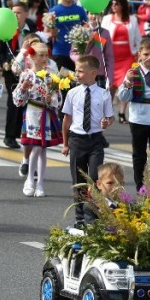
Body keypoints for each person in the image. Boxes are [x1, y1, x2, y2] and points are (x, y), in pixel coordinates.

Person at [61, 55, 114, 225]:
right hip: (77, 140)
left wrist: (107, 121)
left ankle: (92, 215)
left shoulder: (104, 94)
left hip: (96, 141)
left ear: (93, 73)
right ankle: (80, 218)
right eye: (76, 70)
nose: (76, 74)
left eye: (80, 71)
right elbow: (66, 120)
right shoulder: (72, 93)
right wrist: (65, 143)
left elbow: (109, 117)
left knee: (93, 178)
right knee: (78, 181)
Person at [117, 38, 150, 195]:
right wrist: (127, 83)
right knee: (139, 154)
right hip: (138, 118)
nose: (149, 58)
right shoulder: (132, 73)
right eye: (146, 54)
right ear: (139, 54)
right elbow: (123, 97)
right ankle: (140, 185)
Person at [13, 42, 64, 198]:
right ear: (33, 57)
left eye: (46, 55)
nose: (44, 58)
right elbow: (17, 101)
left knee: (43, 149)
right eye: (41, 55)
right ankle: (29, 180)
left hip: (47, 114)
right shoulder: (27, 75)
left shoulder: (52, 76)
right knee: (35, 147)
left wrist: (51, 99)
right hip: (32, 113)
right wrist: (23, 88)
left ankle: (40, 183)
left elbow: (59, 99)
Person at [0, 2, 36, 150]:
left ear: (25, 14)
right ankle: (9, 136)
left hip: (29, 70)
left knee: (27, 102)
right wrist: (4, 62)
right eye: (13, 12)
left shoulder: (31, 27)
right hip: (12, 71)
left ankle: (21, 132)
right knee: (14, 102)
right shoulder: (7, 27)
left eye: (18, 13)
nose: (15, 15)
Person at [101, 0, 141, 123]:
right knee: (111, 85)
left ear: (122, 5)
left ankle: (122, 112)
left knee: (126, 83)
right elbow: (101, 36)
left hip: (128, 56)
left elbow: (137, 37)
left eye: (116, 4)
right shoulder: (107, 19)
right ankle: (108, 111)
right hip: (112, 57)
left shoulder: (132, 19)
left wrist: (139, 52)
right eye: (112, 4)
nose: (114, 6)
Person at [51, 0, 87, 71]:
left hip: (77, 53)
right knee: (62, 83)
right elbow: (47, 32)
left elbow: (86, 27)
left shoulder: (80, 10)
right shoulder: (54, 11)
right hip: (60, 52)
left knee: (77, 82)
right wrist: (52, 31)